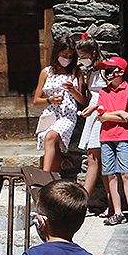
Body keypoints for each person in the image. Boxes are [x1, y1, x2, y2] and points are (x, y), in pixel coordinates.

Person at [93, 57, 128, 226]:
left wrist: (109, 116)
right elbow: (101, 116)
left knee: (126, 173)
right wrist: (120, 113)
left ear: (120, 72)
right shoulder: (103, 92)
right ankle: (117, 212)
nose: (106, 73)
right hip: (107, 137)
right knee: (110, 175)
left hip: (124, 136)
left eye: (110, 70)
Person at [33, 40, 83, 178]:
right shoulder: (46, 72)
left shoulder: (76, 72)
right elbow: (36, 100)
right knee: (52, 145)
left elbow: (83, 100)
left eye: (70, 56)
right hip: (51, 114)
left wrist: (73, 90)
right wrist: (50, 100)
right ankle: (54, 180)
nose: (67, 59)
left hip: (68, 114)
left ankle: (44, 178)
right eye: (64, 55)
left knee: (50, 137)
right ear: (57, 53)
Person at [72, 34, 106, 213]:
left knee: (96, 156)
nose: (81, 60)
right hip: (92, 112)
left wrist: (94, 108)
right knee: (92, 156)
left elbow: (111, 94)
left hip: (101, 113)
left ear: (93, 53)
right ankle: (84, 199)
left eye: (83, 56)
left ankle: (84, 200)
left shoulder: (105, 70)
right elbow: (88, 97)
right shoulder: (90, 71)